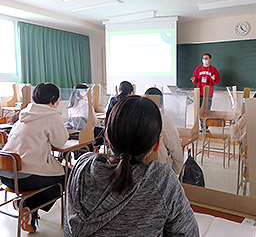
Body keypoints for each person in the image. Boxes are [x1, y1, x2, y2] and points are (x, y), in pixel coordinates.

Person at [64, 96, 199, 236]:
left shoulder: (82, 165)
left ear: (107, 136)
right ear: (156, 145)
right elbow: (189, 233)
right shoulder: (160, 180)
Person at [0, 83, 69, 233]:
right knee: (67, 177)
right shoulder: (51, 116)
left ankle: (28, 211)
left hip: (5, 174)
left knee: (51, 174)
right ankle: (28, 205)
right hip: (27, 177)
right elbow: (60, 141)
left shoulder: (23, 115)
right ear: (53, 99)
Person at [145, 87, 184, 174]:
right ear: (162, 103)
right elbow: (177, 152)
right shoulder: (165, 122)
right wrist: (175, 173)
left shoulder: (136, 119)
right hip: (160, 171)